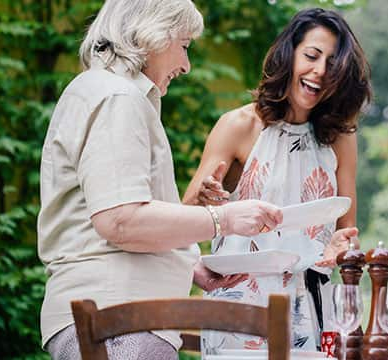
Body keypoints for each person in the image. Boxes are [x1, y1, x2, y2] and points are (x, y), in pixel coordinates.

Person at [37, 1, 282, 359]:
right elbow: (121, 219)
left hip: (117, 319)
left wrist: (188, 264)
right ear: (151, 34)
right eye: (184, 45)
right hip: (118, 321)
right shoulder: (117, 97)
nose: (186, 65)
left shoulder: (106, 92)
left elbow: (113, 219)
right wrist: (224, 220)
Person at [183, 7, 372, 351]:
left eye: (332, 64)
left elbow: (349, 235)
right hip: (238, 309)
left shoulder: (341, 139)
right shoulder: (238, 126)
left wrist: (341, 249)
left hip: (311, 311)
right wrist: (205, 200)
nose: (320, 71)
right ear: (289, 54)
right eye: (312, 56)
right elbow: (182, 221)